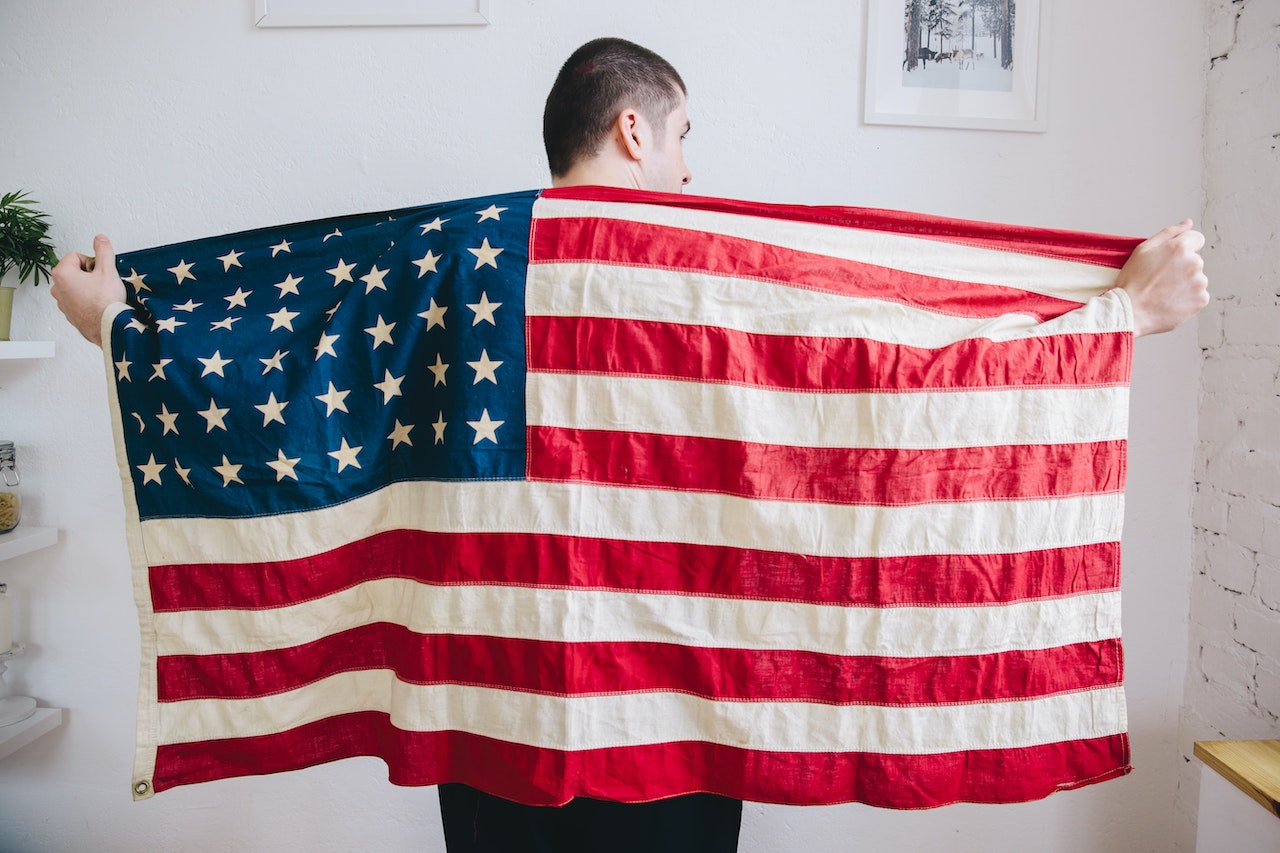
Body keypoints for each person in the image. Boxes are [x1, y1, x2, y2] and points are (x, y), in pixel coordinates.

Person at [50, 35, 1209, 853]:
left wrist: (114, 321)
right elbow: (898, 378)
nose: (692, 170)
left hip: (489, 723)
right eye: (685, 136)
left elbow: (277, 379)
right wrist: (1117, 316)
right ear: (632, 124)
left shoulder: (442, 260)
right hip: (678, 726)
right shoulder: (719, 269)